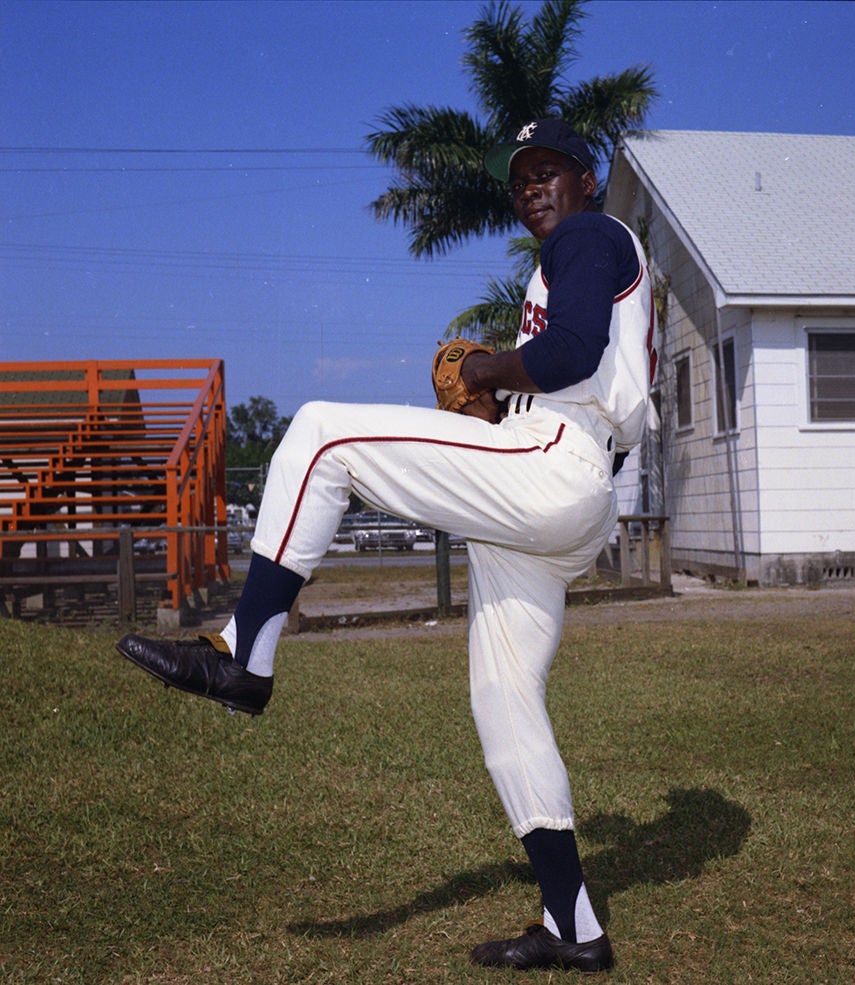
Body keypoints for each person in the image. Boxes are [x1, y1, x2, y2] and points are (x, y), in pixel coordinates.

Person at [117, 117, 654, 973]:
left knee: (323, 434)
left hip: (557, 460)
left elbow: (571, 352)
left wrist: (484, 372)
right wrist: (503, 401)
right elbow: (585, 364)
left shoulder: (590, 233)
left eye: (549, 170)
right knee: (504, 701)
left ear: (587, 179)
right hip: (567, 497)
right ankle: (574, 925)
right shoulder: (592, 248)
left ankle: (245, 656)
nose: (533, 188)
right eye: (520, 179)